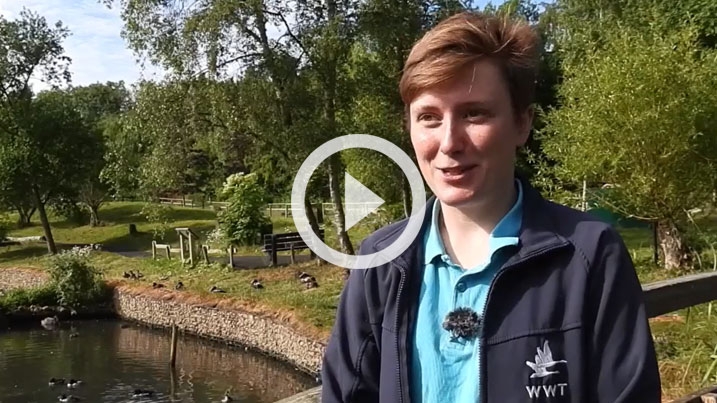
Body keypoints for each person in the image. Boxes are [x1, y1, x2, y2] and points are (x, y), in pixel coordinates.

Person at [320, 10, 661, 403]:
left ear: (521, 123)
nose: (449, 143)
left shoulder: (590, 256)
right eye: (429, 117)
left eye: (474, 113)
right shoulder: (379, 262)